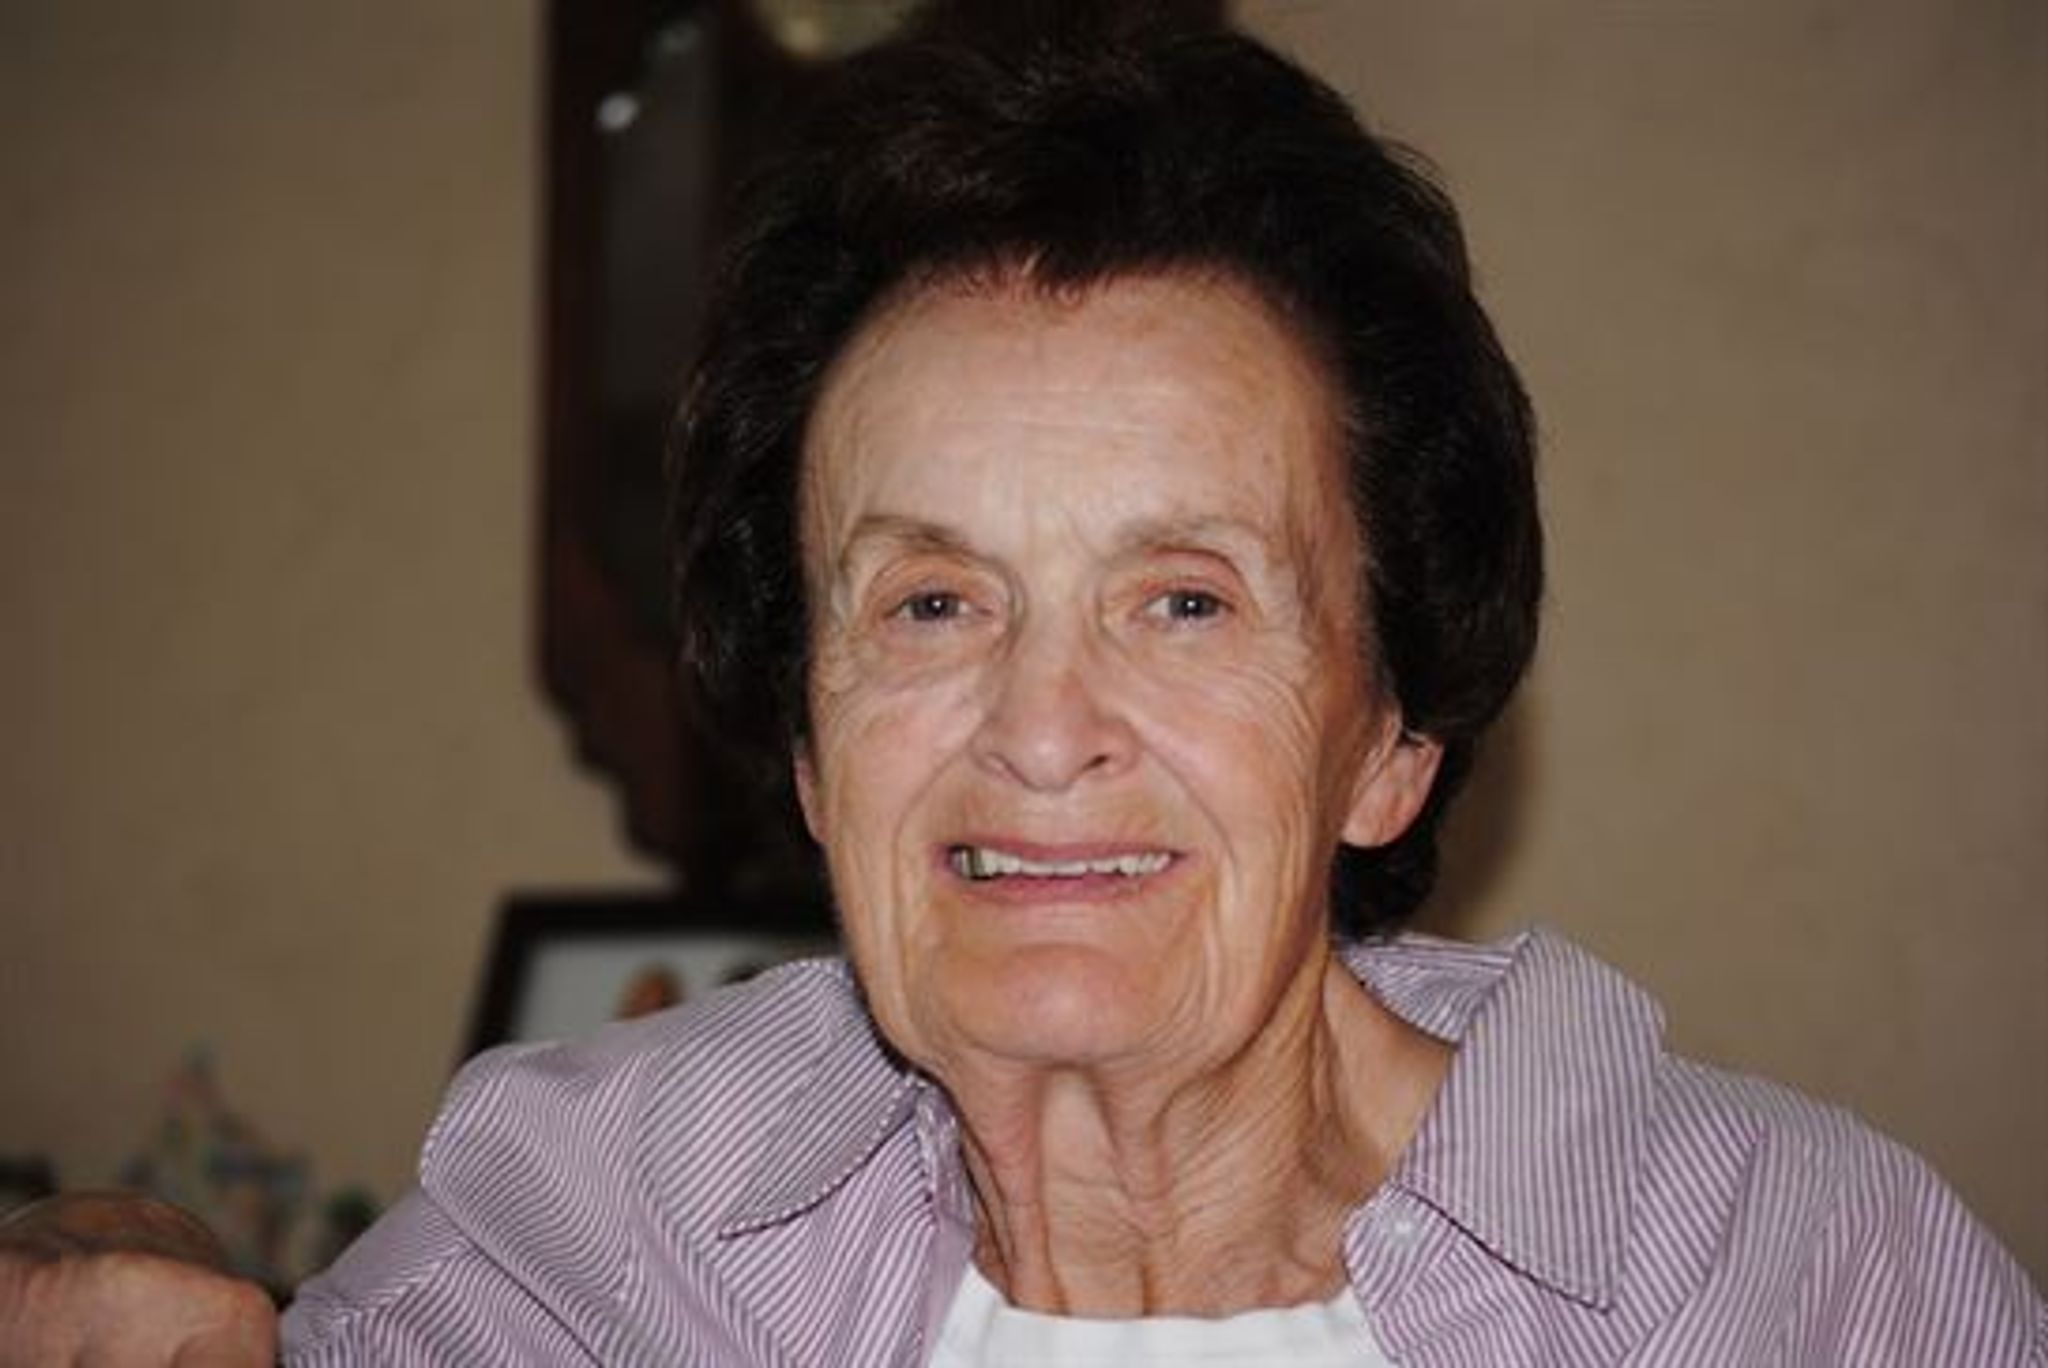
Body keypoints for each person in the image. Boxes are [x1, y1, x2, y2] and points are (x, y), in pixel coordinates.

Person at [4, 13, 2042, 1366]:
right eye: (928, 605)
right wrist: (135, 1264)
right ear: (813, 750)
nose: (1042, 729)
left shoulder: (1791, 1280)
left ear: (1388, 742)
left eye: (1183, 601)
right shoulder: (599, 1232)